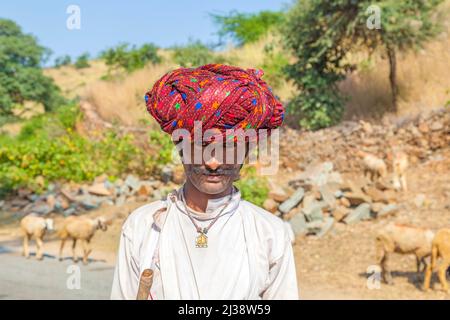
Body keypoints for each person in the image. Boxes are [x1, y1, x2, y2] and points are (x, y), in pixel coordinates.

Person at [111, 64, 298, 300]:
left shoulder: (270, 233)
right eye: (201, 146)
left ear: (246, 152)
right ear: (181, 150)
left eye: (228, 147)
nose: (213, 162)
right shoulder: (142, 227)